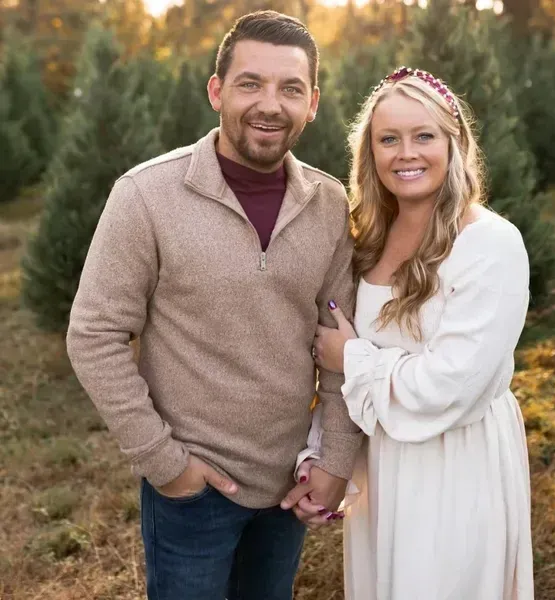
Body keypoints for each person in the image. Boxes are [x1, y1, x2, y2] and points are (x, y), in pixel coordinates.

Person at [66, 11, 362, 600]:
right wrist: (166, 465)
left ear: (313, 104)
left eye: (290, 88)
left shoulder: (330, 205)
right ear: (217, 91)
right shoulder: (146, 196)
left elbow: (343, 346)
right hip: (192, 494)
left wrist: (333, 461)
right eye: (250, 83)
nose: (269, 105)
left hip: (289, 485)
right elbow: (93, 335)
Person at [285, 67, 535, 599]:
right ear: (369, 152)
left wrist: (350, 358)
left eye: (424, 135)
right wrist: (323, 460)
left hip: (457, 464)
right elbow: (338, 366)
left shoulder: (491, 245)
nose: (407, 153)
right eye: (389, 139)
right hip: (385, 466)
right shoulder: (366, 239)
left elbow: (450, 385)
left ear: (454, 142)